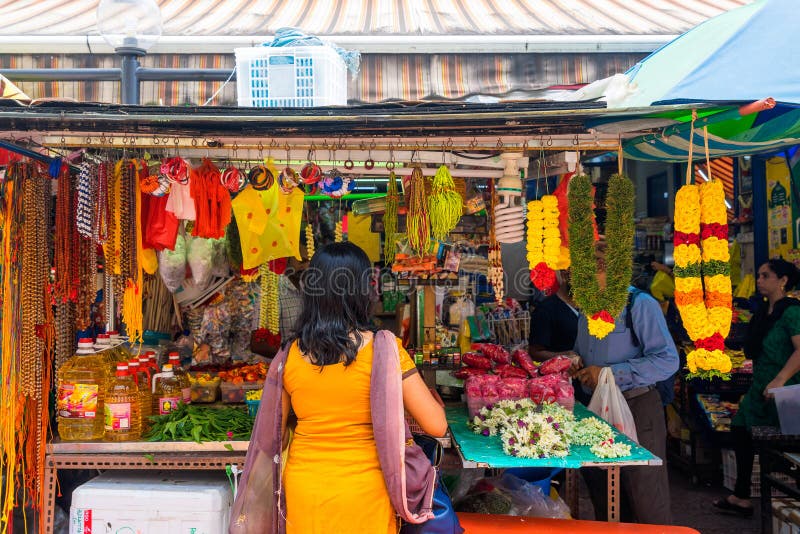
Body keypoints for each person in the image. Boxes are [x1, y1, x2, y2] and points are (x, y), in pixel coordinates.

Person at [279, 242, 446, 533]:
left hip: (306, 488)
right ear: (363, 289)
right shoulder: (385, 349)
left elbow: (276, 431)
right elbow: (436, 426)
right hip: (366, 490)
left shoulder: (289, 355)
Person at [572, 252, 679, 524]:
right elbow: (584, 354)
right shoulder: (587, 307)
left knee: (644, 494)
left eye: (597, 261)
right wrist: (574, 363)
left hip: (636, 407)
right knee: (604, 494)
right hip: (595, 410)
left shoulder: (640, 304)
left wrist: (611, 374)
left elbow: (667, 360)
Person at [713, 259, 800, 517]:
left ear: (783, 280)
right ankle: (741, 496)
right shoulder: (763, 311)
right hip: (760, 384)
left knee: (787, 442)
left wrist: (780, 380)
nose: (759, 280)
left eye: (766, 276)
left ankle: (786, 498)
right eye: (759, 275)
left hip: (786, 387)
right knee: (740, 428)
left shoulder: (792, 311)